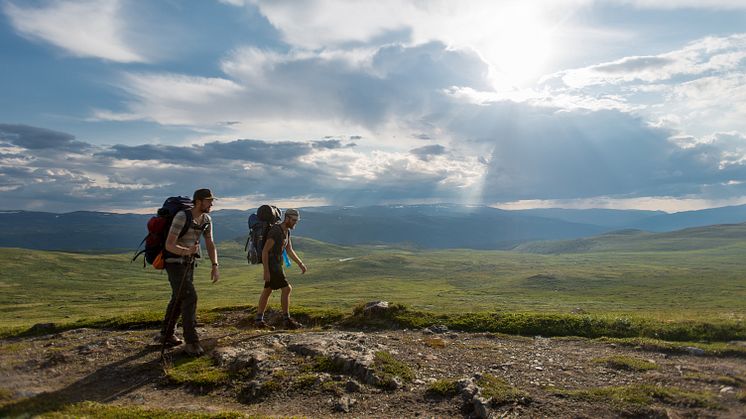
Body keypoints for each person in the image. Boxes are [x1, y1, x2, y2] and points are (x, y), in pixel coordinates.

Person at [154, 188, 220, 356]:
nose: (212, 203)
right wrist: (187, 251)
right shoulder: (182, 216)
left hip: (189, 263)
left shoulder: (206, 219)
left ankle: (166, 334)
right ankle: (191, 342)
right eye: (209, 200)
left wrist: (215, 265)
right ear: (198, 201)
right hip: (173, 262)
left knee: (179, 296)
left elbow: (210, 243)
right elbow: (169, 244)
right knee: (190, 296)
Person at [254, 208, 307, 329]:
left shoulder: (287, 231)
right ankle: (286, 320)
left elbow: (289, 249)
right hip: (272, 264)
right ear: (287, 218)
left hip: (277, 263)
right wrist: (266, 271)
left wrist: (300, 263)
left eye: (296, 221)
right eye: (293, 220)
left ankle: (258, 320)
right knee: (287, 289)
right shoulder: (276, 231)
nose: (295, 223)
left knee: (267, 290)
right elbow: (265, 251)